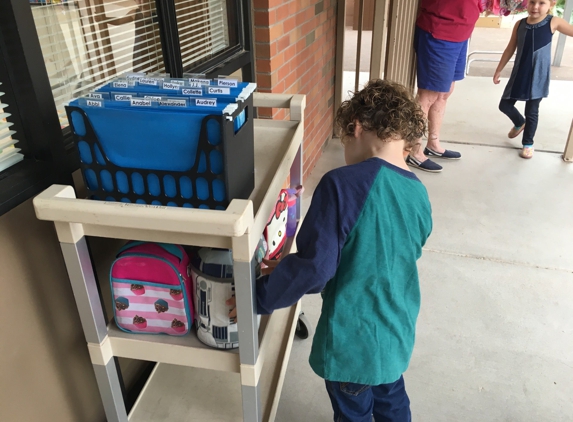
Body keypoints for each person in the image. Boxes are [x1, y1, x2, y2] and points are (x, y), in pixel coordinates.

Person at [229, 79, 433, 421]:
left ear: (355, 128)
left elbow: (316, 268)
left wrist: (257, 296)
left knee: (354, 411)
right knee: (390, 397)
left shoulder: (342, 185)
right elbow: (379, 249)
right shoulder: (419, 194)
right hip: (396, 331)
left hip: (353, 342)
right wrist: (288, 268)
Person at [406, 0, 483, 173]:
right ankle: (414, 150)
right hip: (440, 30)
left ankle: (433, 144)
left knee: (444, 93)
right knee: (428, 96)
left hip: (461, 30)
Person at [493, 0, 573, 159]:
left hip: (538, 73)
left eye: (541, 3)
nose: (535, 6)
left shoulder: (553, 22)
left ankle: (528, 144)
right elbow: (510, 47)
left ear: (551, 4)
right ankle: (519, 122)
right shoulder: (520, 24)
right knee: (504, 105)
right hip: (520, 71)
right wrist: (499, 69)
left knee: (532, 111)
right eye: (532, 2)